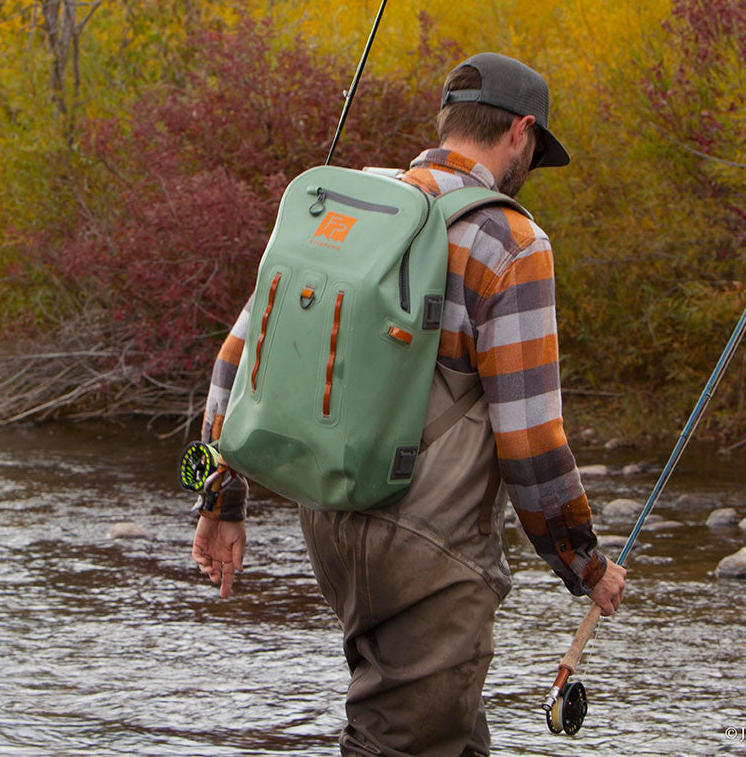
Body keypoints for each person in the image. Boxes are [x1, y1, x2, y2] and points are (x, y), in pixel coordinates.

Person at [189, 52, 628, 757]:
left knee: (449, 734)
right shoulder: (511, 242)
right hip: (430, 552)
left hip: (331, 520)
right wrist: (585, 565)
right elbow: (531, 443)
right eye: (536, 151)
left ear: (447, 120)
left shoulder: (348, 208)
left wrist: (220, 499)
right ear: (521, 132)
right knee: (398, 740)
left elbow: (236, 363)